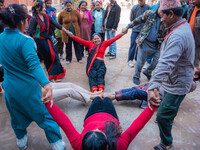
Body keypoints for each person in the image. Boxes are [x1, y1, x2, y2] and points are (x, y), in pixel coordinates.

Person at [0, 4, 66, 150]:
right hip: (29, 90)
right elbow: (34, 65)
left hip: (9, 89)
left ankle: (21, 141)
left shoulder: (0, 38)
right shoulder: (25, 41)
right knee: (46, 118)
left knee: (16, 117)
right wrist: (46, 84)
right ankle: (57, 144)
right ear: (22, 22)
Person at [147, 0, 195, 149]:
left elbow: (165, 63)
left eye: (162, 16)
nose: (161, 20)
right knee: (166, 110)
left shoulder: (178, 35)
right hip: (175, 80)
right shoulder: (181, 26)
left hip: (177, 84)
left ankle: (166, 143)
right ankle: (168, 118)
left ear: (171, 14)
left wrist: (151, 87)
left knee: (162, 116)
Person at [43, 96, 156, 150]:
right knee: (106, 99)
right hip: (110, 114)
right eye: (100, 132)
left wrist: (48, 103)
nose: (97, 129)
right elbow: (137, 125)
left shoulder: (78, 145)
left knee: (97, 98)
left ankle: (99, 96)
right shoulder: (120, 145)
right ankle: (103, 97)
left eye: (91, 131)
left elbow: (64, 122)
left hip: (92, 114)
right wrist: (153, 106)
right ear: (107, 145)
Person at [123, 4, 165, 85]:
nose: (162, 12)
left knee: (158, 61)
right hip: (145, 42)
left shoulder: (165, 18)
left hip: (158, 44)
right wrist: (127, 27)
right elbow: (137, 20)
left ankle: (148, 72)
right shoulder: (150, 13)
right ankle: (136, 76)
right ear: (158, 8)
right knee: (140, 62)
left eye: (164, 11)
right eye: (161, 10)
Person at [27, 0, 67, 82]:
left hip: (48, 40)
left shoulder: (47, 16)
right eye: (43, 8)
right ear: (37, 8)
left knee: (55, 56)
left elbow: (56, 24)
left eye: (45, 8)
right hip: (40, 42)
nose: (45, 9)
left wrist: (66, 31)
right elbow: (28, 32)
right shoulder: (34, 19)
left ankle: (57, 74)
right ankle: (52, 76)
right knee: (48, 57)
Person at [128, 0, 150, 68]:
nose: (141, 2)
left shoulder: (148, 7)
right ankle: (130, 60)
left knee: (140, 46)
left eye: (142, 0)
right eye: (139, 1)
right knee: (133, 45)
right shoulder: (134, 8)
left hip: (143, 30)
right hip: (135, 30)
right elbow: (131, 19)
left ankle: (137, 59)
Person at [188, 0, 200, 68]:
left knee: (196, 66)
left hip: (198, 44)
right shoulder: (192, 8)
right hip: (191, 41)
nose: (191, 2)